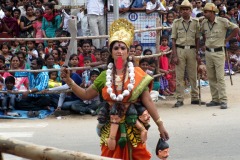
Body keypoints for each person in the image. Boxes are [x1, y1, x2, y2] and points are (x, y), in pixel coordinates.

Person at [61, 18, 169, 160]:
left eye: (122, 48)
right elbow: (86, 95)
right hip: (110, 126)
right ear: (111, 52)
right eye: (116, 48)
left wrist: (160, 124)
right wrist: (69, 81)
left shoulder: (137, 74)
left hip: (133, 126)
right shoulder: (104, 76)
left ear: (128, 51)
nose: (119, 51)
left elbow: (148, 100)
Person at [201, 3, 239, 109]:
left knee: (220, 77)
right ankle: (215, 99)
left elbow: (236, 28)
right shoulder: (204, 23)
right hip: (208, 52)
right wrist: (205, 43)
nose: (204, 13)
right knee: (211, 77)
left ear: (213, 12)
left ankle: (223, 100)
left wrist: (226, 40)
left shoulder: (222, 21)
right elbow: (202, 34)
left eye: (206, 12)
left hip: (219, 52)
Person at [171, 0, 204, 107]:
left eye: (187, 9)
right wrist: (175, 55)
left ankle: (195, 97)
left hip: (192, 50)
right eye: (183, 9)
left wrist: (198, 53)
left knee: (193, 74)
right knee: (179, 76)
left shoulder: (195, 22)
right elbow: (173, 40)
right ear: (180, 11)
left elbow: (197, 39)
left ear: (190, 11)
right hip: (180, 50)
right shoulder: (176, 23)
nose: (185, 11)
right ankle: (179, 99)